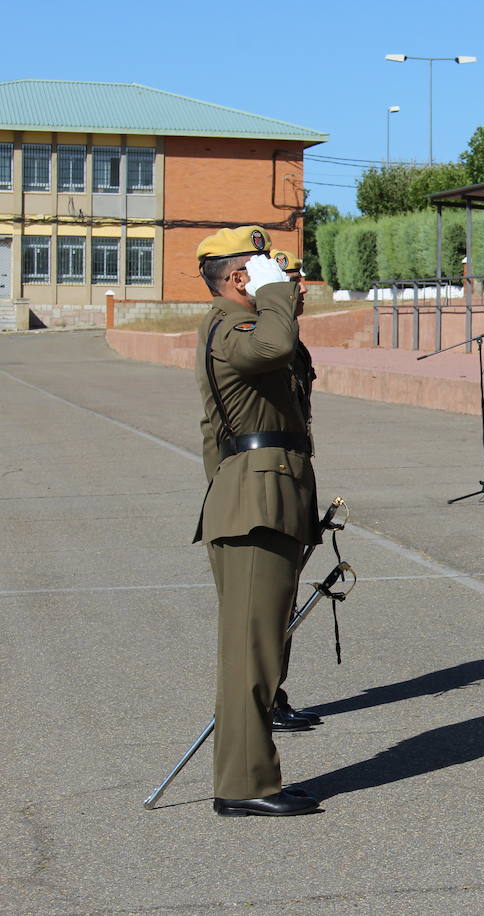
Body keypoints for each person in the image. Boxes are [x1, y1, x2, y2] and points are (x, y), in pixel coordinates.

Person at [193, 225, 321, 816]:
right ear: (241, 278)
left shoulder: (243, 324)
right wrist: (273, 295)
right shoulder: (233, 326)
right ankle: (243, 784)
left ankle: (249, 774)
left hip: (259, 495)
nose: (284, 280)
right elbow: (272, 349)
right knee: (251, 652)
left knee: (263, 646)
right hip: (255, 504)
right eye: (264, 267)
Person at [264, 249, 323, 734]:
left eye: (300, 280)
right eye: (290, 281)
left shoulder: (294, 343)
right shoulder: (265, 340)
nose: (300, 288)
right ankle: (262, 699)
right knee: (270, 602)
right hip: (268, 484)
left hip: (295, 474)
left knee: (286, 597)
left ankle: (274, 693)